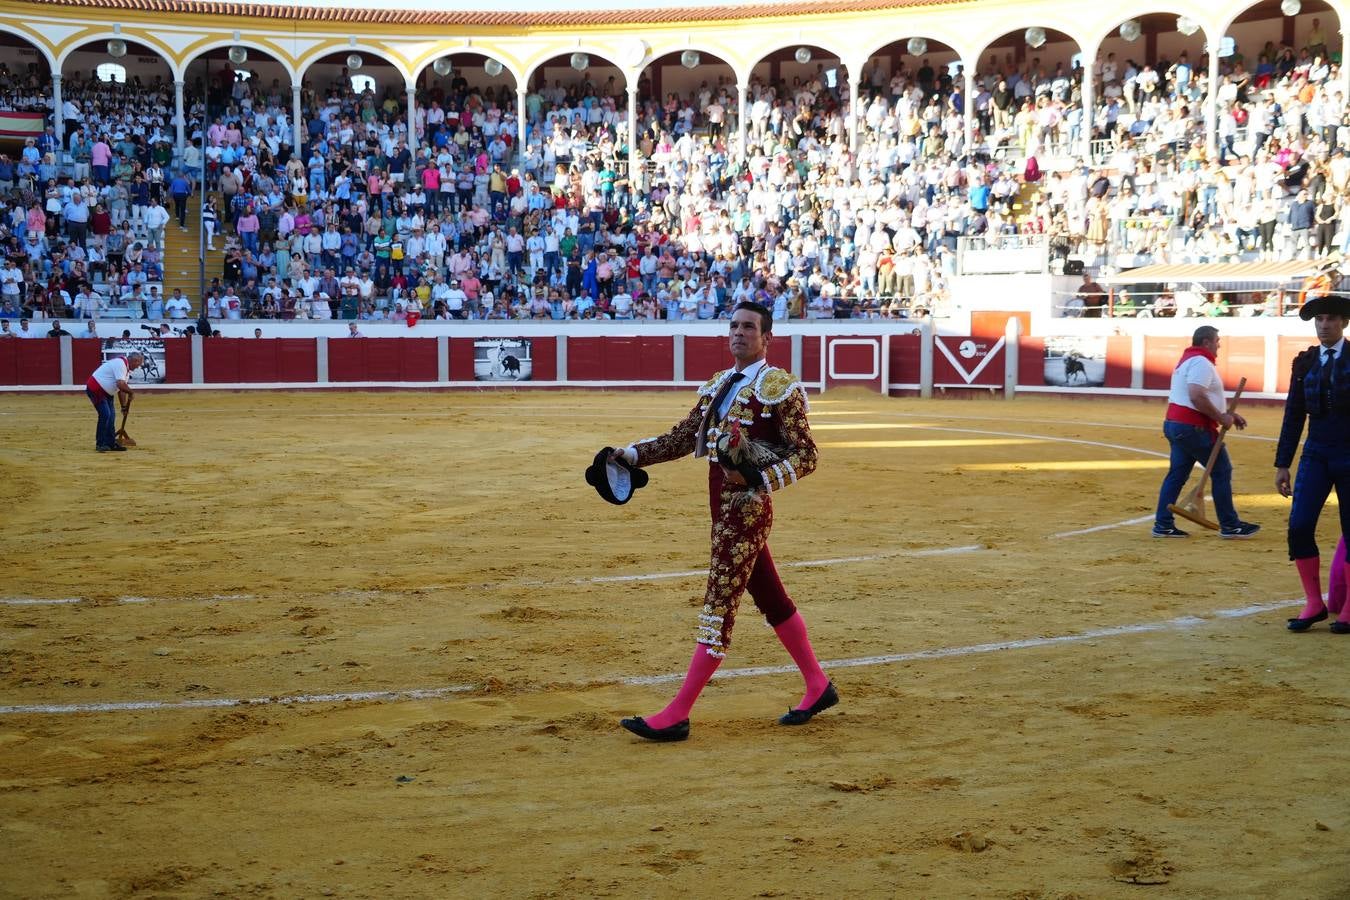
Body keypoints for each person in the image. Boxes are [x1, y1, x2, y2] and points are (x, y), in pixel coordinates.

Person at [610, 301, 835, 742]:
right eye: (733, 325)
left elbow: (807, 455)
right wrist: (632, 454)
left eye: (749, 327)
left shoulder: (779, 388)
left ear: (766, 338)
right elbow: (681, 437)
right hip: (722, 508)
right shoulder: (718, 386)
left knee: (719, 605)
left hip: (747, 511)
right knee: (771, 598)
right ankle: (818, 685)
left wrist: (757, 477)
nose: (739, 332)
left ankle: (678, 712)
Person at [1276, 293, 1350, 634]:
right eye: (1319, 320)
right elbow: (1293, 415)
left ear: (1343, 323)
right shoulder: (1304, 362)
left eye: (1331, 319)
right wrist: (1282, 464)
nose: (1324, 325)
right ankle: (1313, 603)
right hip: (1316, 454)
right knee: (1299, 525)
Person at [1153, 325, 1261, 539]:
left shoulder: (1189, 360)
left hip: (1178, 425)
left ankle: (1163, 524)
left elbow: (1195, 397)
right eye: (1217, 340)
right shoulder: (1201, 362)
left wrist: (1226, 413)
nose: (1219, 344)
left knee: (1177, 474)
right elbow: (1196, 396)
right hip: (1193, 428)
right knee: (1221, 470)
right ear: (1206, 342)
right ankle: (1230, 525)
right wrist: (1221, 418)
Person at [86, 351, 142, 452]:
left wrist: (123, 406)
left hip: (107, 393)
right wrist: (131, 392)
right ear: (134, 360)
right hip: (96, 389)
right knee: (106, 415)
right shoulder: (120, 364)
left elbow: (121, 390)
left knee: (111, 416)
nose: (138, 367)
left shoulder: (126, 370)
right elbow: (121, 385)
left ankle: (110, 443)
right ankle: (100, 444)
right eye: (138, 364)